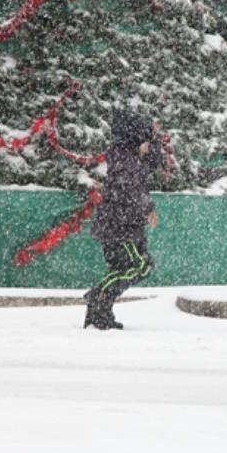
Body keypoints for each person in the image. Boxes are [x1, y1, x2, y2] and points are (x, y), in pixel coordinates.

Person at [84, 110, 163, 330]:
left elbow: (153, 163)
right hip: (120, 228)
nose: (147, 146)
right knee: (139, 266)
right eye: (145, 141)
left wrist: (154, 138)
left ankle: (100, 310)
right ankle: (98, 298)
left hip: (125, 226)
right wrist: (148, 209)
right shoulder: (125, 161)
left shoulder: (130, 158)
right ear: (133, 140)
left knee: (126, 269)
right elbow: (130, 190)